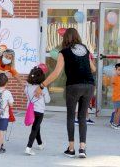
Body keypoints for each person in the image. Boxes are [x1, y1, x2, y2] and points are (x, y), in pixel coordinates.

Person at [35, 28, 96, 158]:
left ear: (65, 38)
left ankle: (71, 148)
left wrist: (42, 85)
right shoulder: (84, 49)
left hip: (74, 86)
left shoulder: (64, 52)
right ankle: (82, 149)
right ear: (77, 37)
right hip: (89, 85)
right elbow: (93, 68)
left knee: (70, 117)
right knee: (82, 118)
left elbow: (56, 73)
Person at [24, 66, 51, 156]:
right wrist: (43, 95)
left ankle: (40, 144)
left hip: (30, 110)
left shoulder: (27, 87)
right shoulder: (43, 88)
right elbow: (47, 100)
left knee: (36, 127)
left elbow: (27, 95)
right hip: (39, 111)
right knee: (35, 128)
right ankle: (28, 147)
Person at [110, 63, 120, 130]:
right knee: (119, 111)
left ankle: (115, 123)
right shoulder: (115, 77)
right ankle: (116, 124)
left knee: (117, 111)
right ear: (115, 70)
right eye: (119, 69)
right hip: (117, 97)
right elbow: (112, 84)